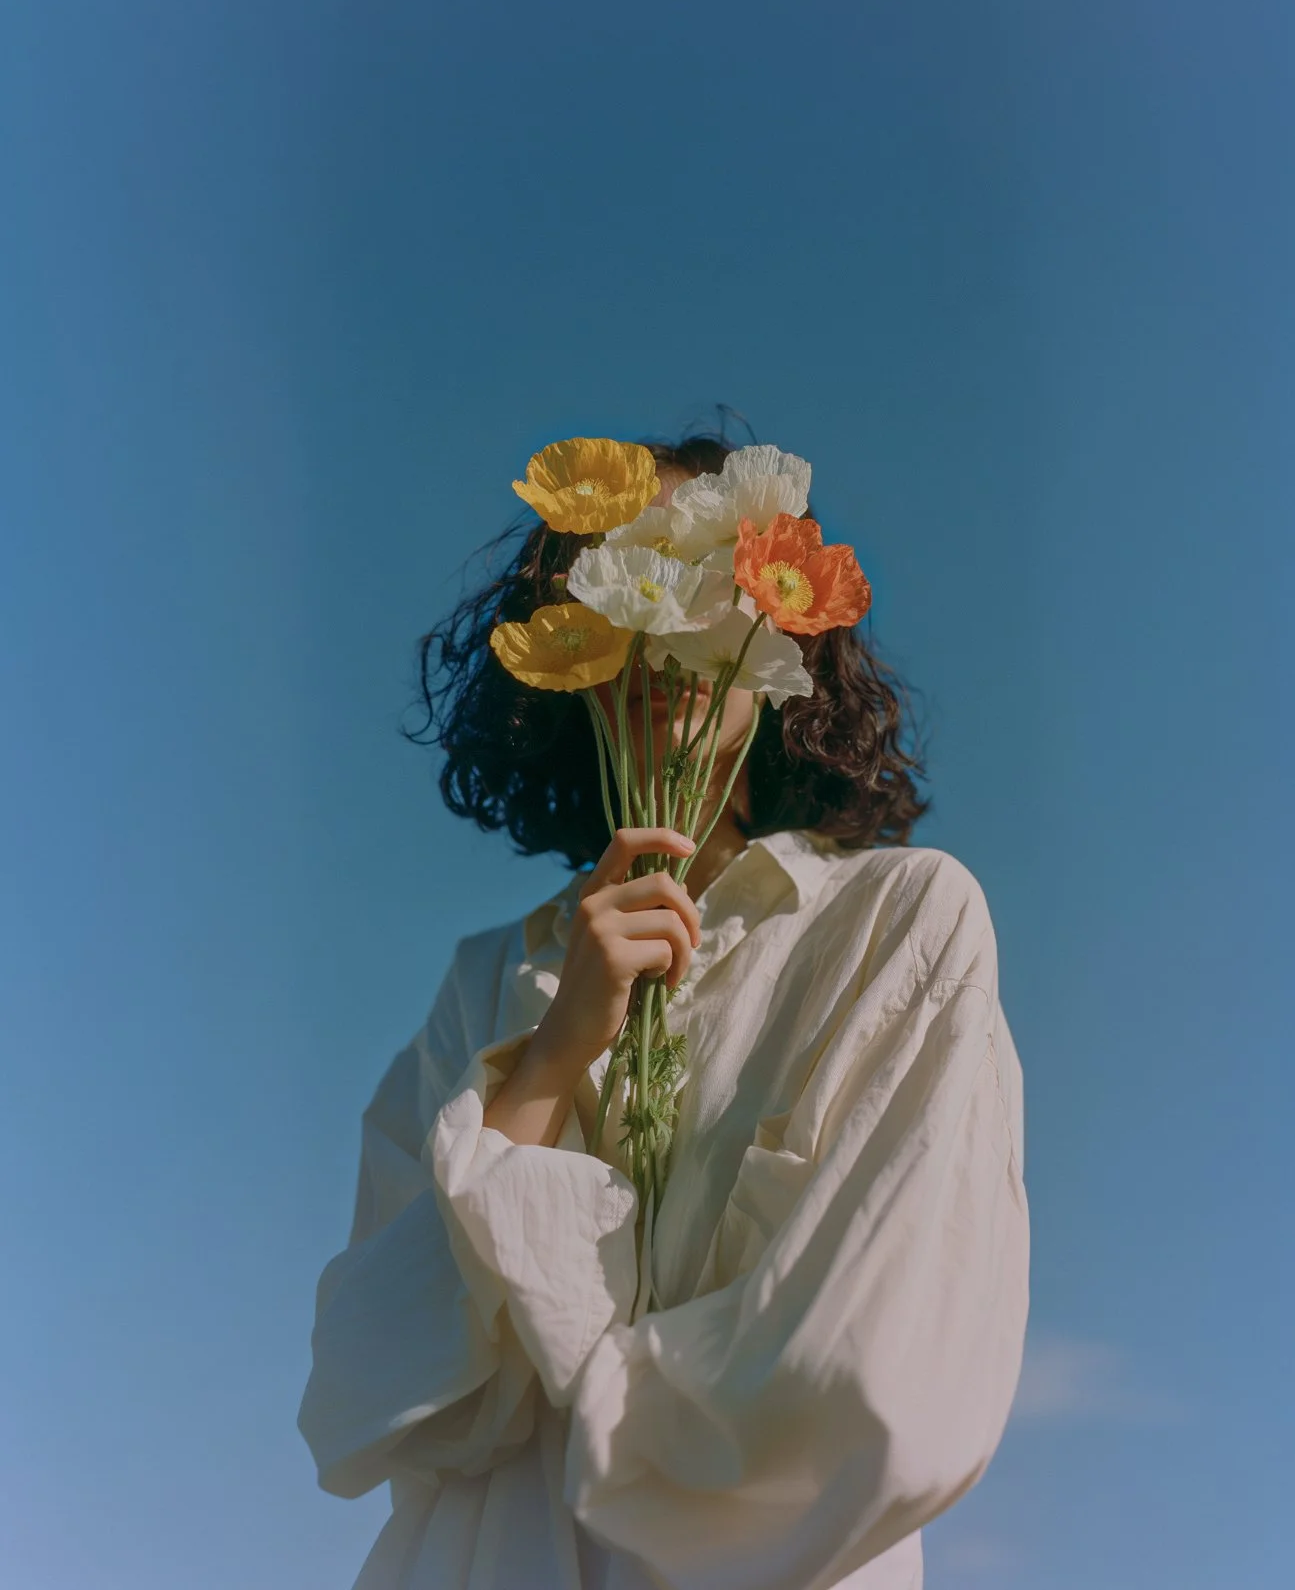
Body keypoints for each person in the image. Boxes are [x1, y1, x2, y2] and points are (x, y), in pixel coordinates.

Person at [297, 432, 1030, 1590]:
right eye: (621, 575)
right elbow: (360, 1399)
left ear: (779, 621)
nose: (665, 630)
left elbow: (870, 1392)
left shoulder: (896, 927)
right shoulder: (485, 984)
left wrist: (556, 1349)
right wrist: (544, 1065)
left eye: (704, 577)